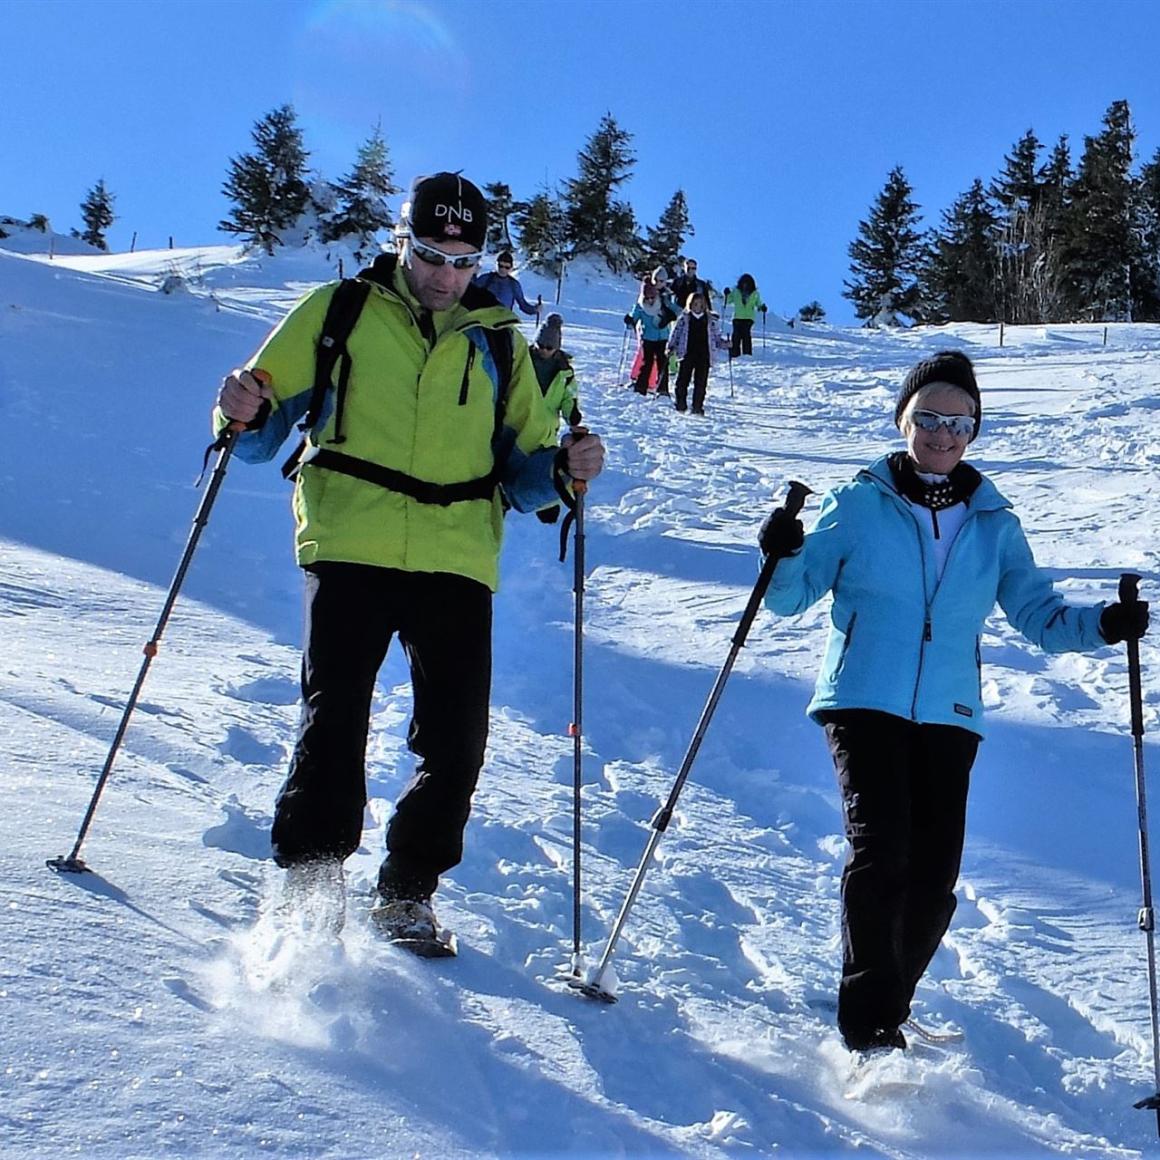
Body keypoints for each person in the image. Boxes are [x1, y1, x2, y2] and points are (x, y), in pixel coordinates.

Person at [212, 172, 605, 947]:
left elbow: (526, 469)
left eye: (464, 260)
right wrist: (237, 407)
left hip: (456, 554)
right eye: (431, 254)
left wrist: (565, 468)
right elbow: (255, 425)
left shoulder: (498, 340)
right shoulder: (340, 311)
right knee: (336, 715)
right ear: (404, 241)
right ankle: (311, 879)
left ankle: (407, 891)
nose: (445, 275)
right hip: (351, 539)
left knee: (456, 739)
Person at [758, 350, 1149, 1054]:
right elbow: (788, 598)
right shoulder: (859, 502)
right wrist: (781, 551)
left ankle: (888, 1003)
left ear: (974, 432)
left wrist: (1102, 625)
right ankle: (868, 1024)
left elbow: (1037, 614)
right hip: (863, 698)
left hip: (949, 714)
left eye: (959, 422)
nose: (942, 434)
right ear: (904, 420)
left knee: (935, 878)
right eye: (929, 418)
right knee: (883, 853)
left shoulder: (994, 522)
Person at [529, 313, 581, 525]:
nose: (543, 350)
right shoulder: (522, 360)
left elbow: (568, 396)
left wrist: (572, 412)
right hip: (519, 421)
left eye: (549, 347)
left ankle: (548, 505)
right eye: (540, 345)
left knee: (547, 469)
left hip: (546, 428)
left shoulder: (564, 371)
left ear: (557, 347)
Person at [666, 290, 725, 415]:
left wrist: (725, 344)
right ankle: (680, 404)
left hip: (704, 354)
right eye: (695, 304)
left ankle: (697, 407)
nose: (698, 307)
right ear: (690, 305)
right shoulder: (684, 318)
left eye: (700, 304)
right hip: (687, 352)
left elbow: (716, 337)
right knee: (683, 380)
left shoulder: (710, 320)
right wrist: (671, 347)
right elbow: (675, 334)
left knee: (701, 382)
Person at [624, 278, 673, 396]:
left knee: (662, 363)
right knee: (647, 362)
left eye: (652, 297)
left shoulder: (662, 303)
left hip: (662, 337)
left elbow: (671, 313)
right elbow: (634, 317)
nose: (650, 300)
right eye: (647, 298)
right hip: (648, 337)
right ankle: (641, 387)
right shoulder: (640, 306)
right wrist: (630, 320)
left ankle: (663, 389)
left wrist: (667, 319)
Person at [472, 249, 541, 317]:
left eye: (507, 267)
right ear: (496, 265)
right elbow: (470, 292)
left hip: (504, 322)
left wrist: (534, 309)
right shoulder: (486, 279)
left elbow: (523, 305)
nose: (503, 269)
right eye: (500, 266)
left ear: (511, 268)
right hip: (484, 319)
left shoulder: (513, 284)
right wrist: (472, 274)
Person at [723, 273, 767, 358]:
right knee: (736, 336)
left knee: (746, 335)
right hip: (738, 317)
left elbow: (758, 304)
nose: (745, 285)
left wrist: (762, 307)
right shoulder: (736, 291)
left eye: (747, 283)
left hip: (748, 318)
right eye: (744, 283)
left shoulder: (755, 294)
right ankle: (735, 353)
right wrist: (727, 294)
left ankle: (747, 354)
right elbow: (728, 300)